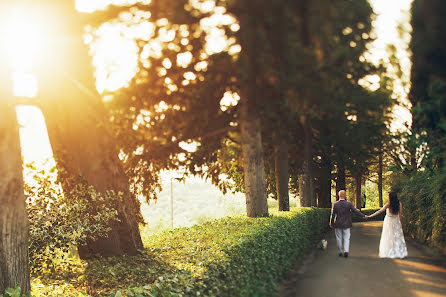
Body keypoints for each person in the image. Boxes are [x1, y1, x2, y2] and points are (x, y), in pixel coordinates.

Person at [366, 191, 408, 258]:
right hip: (396, 221)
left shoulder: (388, 204)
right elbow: (400, 215)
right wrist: (400, 224)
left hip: (389, 221)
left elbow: (380, 211)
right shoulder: (399, 203)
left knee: (388, 236)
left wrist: (370, 216)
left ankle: (390, 251)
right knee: (397, 236)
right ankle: (398, 252)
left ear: (390, 197)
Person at [330, 190, 366, 258]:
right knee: (346, 238)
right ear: (345, 195)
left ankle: (340, 252)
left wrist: (331, 223)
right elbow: (355, 211)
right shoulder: (348, 204)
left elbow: (333, 215)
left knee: (338, 238)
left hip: (338, 224)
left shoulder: (335, 204)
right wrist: (363, 216)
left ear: (339, 195)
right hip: (347, 224)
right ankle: (346, 251)